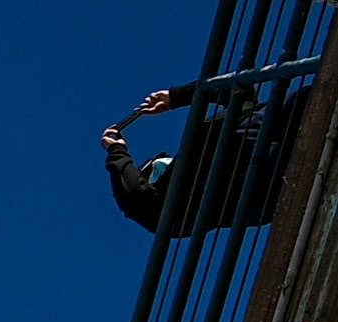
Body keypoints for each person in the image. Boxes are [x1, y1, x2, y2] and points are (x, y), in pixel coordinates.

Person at [102, 81, 311, 234]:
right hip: (257, 177)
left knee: (314, 98)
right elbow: (134, 196)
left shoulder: (194, 154)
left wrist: (177, 97)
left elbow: (240, 91)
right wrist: (118, 153)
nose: (162, 166)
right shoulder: (170, 206)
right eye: (155, 171)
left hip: (265, 123)